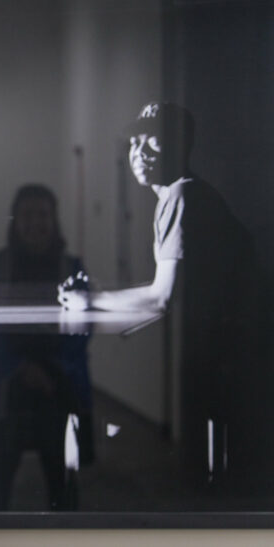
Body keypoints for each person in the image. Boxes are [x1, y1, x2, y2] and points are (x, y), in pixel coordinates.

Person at [57, 102, 261, 489]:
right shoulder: (174, 197)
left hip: (234, 358)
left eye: (153, 139)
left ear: (181, 145)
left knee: (221, 480)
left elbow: (162, 299)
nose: (140, 150)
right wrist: (102, 300)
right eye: (135, 140)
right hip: (227, 355)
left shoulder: (182, 196)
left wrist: (94, 303)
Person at [0, 184, 91, 511]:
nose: (35, 222)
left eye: (42, 214)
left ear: (54, 220)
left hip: (57, 388)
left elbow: (82, 329)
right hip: (7, 389)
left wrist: (52, 371)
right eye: (27, 215)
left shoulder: (71, 268)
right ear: (15, 220)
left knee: (62, 480)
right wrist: (21, 369)